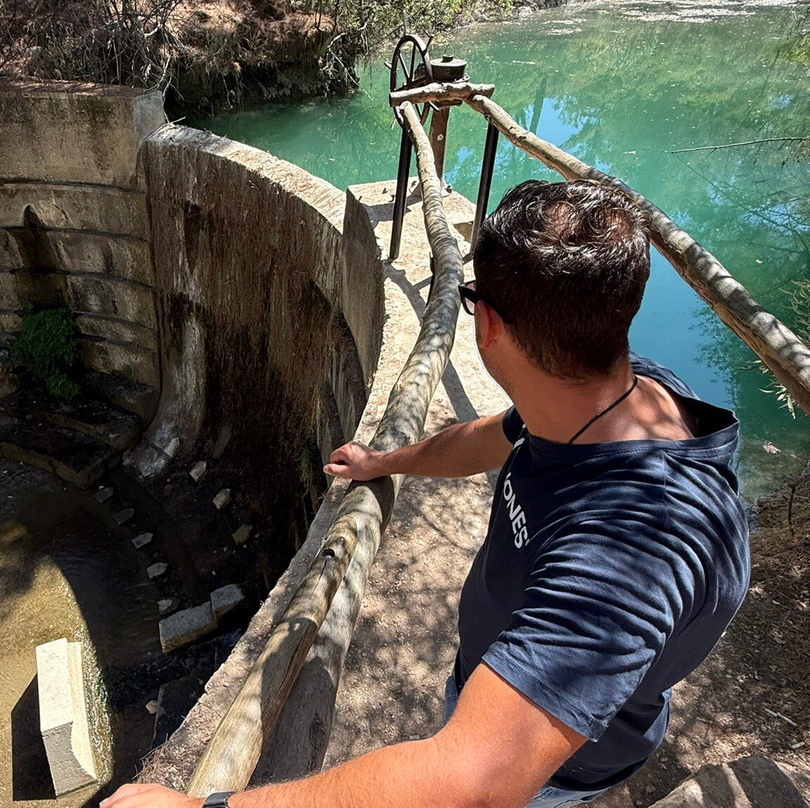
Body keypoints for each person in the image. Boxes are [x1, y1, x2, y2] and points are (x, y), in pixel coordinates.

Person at [102, 179, 750, 808]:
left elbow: (473, 782)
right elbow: (485, 440)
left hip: (560, 768)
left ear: (488, 323)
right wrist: (382, 461)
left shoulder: (629, 549)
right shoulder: (602, 391)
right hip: (494, 676)